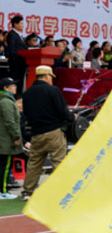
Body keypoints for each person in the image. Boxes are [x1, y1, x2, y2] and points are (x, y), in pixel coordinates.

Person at [19, 66, 74, 200]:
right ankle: (60, 192)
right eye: (51, 77)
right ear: (46, 76)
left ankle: (27, 191)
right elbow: (62, 110)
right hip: (54, 132)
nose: (51, 80)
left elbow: (26, 114)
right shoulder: (52, 90)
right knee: (58, 162)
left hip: (36, 133)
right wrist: (71, 118)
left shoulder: (27, 94)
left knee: (34, 163)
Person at [0, 78, 22, 199]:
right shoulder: (6, 102)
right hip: (5, 140)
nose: (15, 87)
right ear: (5, 88)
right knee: (4, 166)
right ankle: (2, 191)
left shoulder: (4, 100)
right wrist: (16, 136)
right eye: (12, 85)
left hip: (3, 138)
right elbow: (10, 121)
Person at [5, 16, 26, 92]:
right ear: (15, 24)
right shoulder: (12, 35)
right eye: (21, 23)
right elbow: (12, 50)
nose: (23, 25)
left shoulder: (19, 35)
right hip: (16, 64)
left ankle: (19, 98)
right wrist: (15, 62)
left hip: (21, 63)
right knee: (15, 83)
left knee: (20, 83)